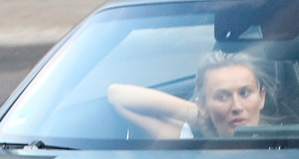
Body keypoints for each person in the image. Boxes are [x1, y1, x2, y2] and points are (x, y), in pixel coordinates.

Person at [109, 51, 275, 138]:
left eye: (245, 93)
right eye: (222, 97)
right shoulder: (193, 140)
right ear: (202, 105)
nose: (237, 107)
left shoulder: (288, 142)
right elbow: (117, 95)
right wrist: (201, 115)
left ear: (262, 98)